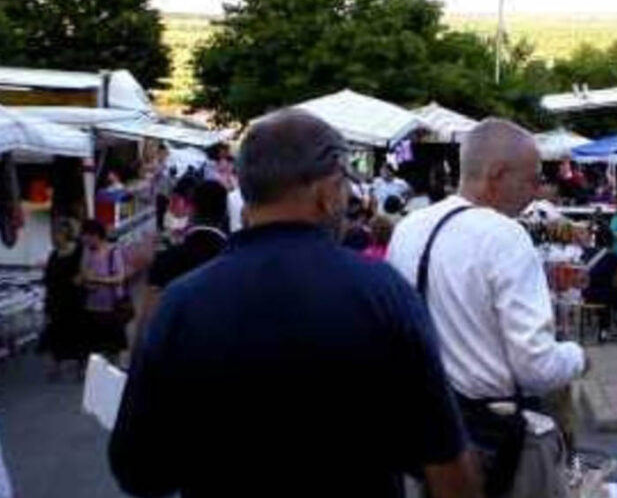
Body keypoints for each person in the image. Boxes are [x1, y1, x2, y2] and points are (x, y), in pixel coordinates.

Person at [110, 110, 480, 498]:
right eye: (344, 188)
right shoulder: (384, 293)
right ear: (326, 192)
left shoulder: (181, 304)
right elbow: (446, 465)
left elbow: (139, 471)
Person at [388, 119, 587, 498]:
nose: (536, 192)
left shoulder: (409, 228)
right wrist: (577, 357)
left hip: (425, 439)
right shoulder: (503, 235)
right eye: (531, 180)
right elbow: (536, 367)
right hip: (495, 442)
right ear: (496, 175)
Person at [136, 180, 230, 347]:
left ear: (192, 210)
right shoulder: (237, 259)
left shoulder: (167, 259)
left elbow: (149, 327)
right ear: (224, 214)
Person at [38, 219, 85, 378]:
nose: (54, 238)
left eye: (56, 234)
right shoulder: (54, 254)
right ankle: (56, 366)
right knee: (55, 332)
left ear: (64, 235)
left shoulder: (78, 251)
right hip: (56, 299)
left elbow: (82, 272)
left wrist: (80, 278)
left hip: (73, 299)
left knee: (77, 333)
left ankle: (80, 367)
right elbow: (49, 277)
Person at [80, 220, 129, 362]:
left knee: (112, 349)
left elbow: (119, 278)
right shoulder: (87, 252)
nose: (84, 240)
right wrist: (85, 281)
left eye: (86, 236)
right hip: (92, 306)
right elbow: (84, 273)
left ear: (95, 235)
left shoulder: (113, 252)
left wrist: (98, 280)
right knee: (94, 349)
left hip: (111, 307)